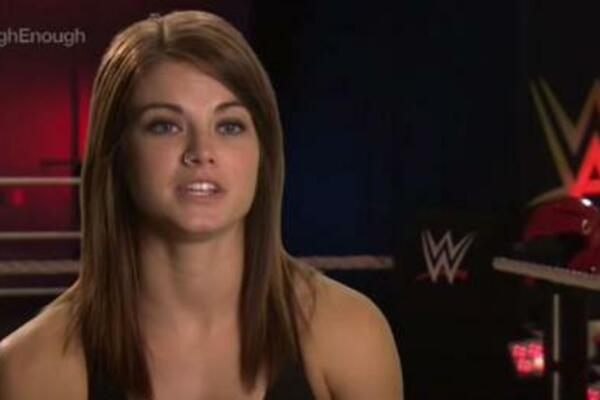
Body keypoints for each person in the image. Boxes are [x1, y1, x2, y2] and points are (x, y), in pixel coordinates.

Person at [0, 10, 403, 400]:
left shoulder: (349, 334)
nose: (201, 151)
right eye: (165, 125)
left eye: (229, 125)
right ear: (116, 153)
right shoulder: (33, 368)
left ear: (262, 153)